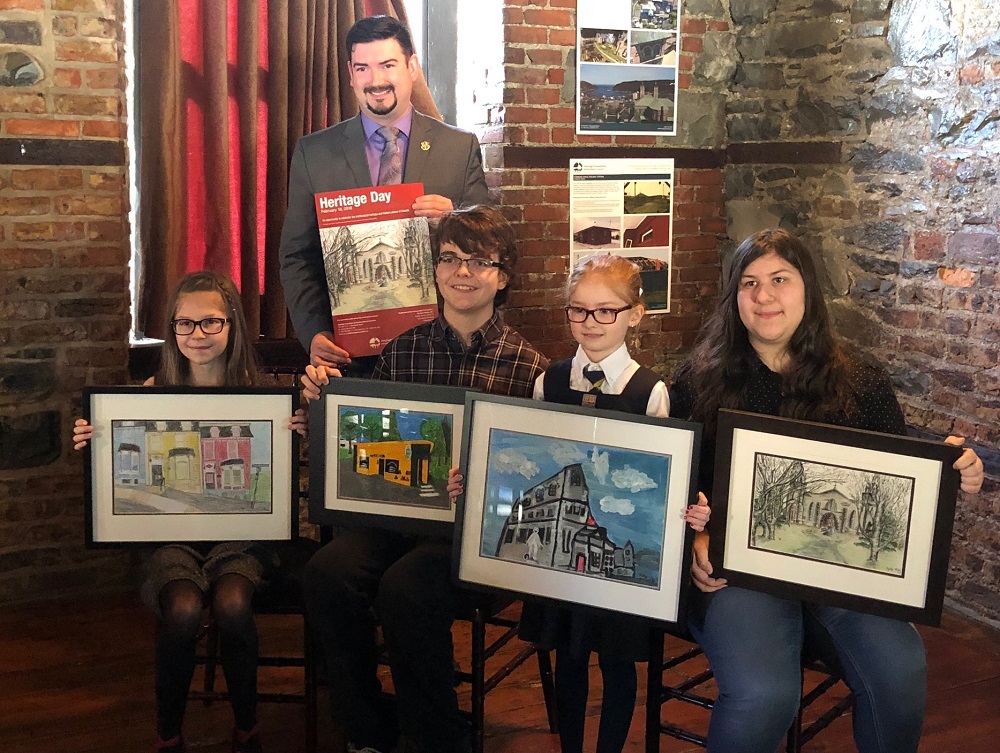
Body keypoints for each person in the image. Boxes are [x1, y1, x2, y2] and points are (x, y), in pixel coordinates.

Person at [669, 229, 984, 753]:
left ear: (807, 292)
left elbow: (897, 479)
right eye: (749, 283)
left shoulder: (860, 382)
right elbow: (680, 489)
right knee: (765, 695)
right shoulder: (697, 381)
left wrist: (955, 472)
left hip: (839, 573)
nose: (763, 296)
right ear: (734, 298)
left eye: (779, 280)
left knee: (901, 669)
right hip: (738, 575)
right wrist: (696, 543)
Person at [300, 205, 548, 753]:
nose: (463, 272)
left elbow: (530, 472)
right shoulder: (402, 349)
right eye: (450, 259)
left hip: (470, 531)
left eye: (480, 262)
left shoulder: (529, 367)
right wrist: (321, 404)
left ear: (503, 277)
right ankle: (366, 724)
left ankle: (433, 733)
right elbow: (363, 442)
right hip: (395, 513)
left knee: (405, 587)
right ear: (434, 270)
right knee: (326, 572)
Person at [448, 255, 709, 753]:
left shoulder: (651, 391)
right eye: (578, 311)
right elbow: (530, 459)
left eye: (606, 311)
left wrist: (688, 512)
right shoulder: (550, 381)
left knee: (616, 664)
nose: (590, 323)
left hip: (619, 576)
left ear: (636, 313)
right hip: (561, 573)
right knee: (568, 659)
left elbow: (668, 481)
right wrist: (479, 483)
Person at [73, 271, 308, 753]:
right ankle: (169, 732)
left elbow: (287, 473)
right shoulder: (152, 389)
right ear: (172, 329)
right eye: (184, 324)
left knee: (233, 604)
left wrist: (299, 432)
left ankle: (248, 724)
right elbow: (120, 464)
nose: (196, 335)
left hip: (242, 537)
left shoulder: (261, 396)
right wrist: (95, 441)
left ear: (233, 326)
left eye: (210, 323)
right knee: (181, 610)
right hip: (172, 539)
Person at [279, 14, 491, 376]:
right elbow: (297, 256)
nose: (375, 80)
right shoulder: (314, 152)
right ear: (350, 73)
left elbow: (491, 247)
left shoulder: (459, 147)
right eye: (363, 68)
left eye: (387, 65)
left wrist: (456, 219)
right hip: (348, 356)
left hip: (442, 352)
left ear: (411, 67)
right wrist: (314, 332)